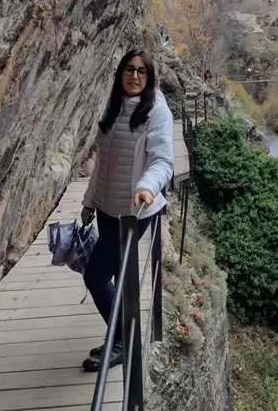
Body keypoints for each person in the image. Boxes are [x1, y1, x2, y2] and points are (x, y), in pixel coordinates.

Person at [79, 49, 174, 372]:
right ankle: (122, 337)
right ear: (120, 72)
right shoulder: (114, 106)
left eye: (142, 72)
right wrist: (89, 201)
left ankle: (122, 340)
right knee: (116, 276)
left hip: (135, 212)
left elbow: (163, 160)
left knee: (96, 275)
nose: (135, 77)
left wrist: (147, 186)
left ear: (150, 77)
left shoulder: (156, 111)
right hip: (107, 208)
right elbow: (102, 163)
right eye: (129, 70)